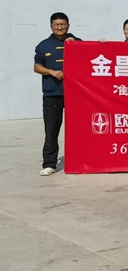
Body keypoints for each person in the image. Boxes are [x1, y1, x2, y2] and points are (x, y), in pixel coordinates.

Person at [33, 13, 82, 176]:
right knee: (51, 129)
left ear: (68, 25)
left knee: (78, 129)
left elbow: (92, 58)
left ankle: (79, 160)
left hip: (75, 94)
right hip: (52, 94)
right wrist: (51, 72)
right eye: (56, 25)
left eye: (63, 24)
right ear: (51, 26)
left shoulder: (77, 42)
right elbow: (36, 67)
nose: (60, 27)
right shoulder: (44, 45)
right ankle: (50, 163)